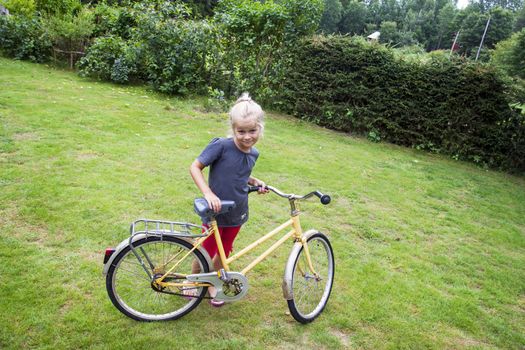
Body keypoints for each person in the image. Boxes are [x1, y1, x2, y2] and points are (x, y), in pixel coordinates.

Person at [189, 92, 267, 307]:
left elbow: (240, 174)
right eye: (241, 131)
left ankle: (212, 284)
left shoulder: (254, 153)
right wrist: (208, 193)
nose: (247, 137)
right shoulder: (221, 146)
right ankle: (193, 282)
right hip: (215, 211)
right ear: (233, 129)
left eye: (252, 130)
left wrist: (254, 181)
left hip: (237, 212)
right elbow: (195, 167)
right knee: (207, 249)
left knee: (224, 251)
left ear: (260, 128)